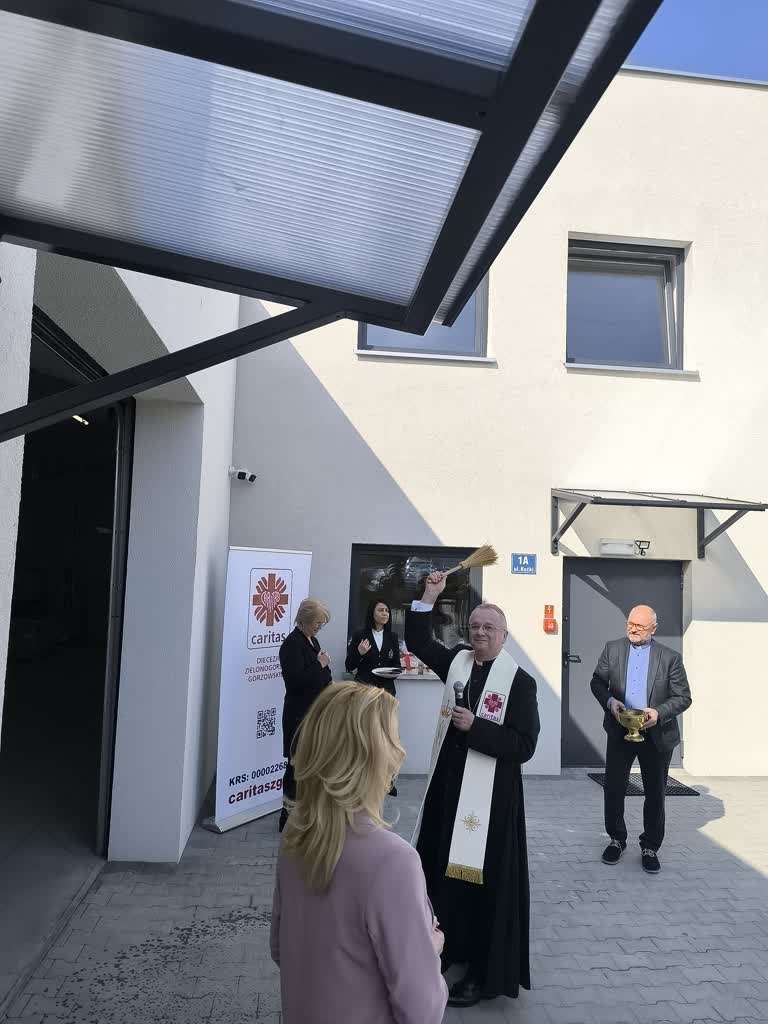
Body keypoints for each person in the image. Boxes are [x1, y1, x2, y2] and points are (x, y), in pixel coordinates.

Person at [270, 682, 448, 1024]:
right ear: (377, 757)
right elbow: (422, 1009)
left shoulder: (295, 834)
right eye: (394, 738)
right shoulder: (393, 862)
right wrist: (430, 949)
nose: (400, 750)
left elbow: (280, 948)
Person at [405, 571, 540, 1009]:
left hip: (491, 804)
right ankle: (449, 948)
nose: (480, 633)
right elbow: (418, 642)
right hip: (448, 794)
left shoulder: (520, 682)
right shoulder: (458, 663)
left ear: (504, 636)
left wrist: (477, 728)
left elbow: (525, 745)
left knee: (483, 887)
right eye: (475, 626)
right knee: (444, 875)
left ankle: (481, 973)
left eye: (489, 628)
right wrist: (429, 595)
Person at [590, 604, 692, 874]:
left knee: (655, 792)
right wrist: (610, 702)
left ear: (653, 629)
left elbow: (683, 697)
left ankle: (650, 847)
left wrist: (659, 713)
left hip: (656, 735)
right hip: (619, 730)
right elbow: (597, 682)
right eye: (630, 623)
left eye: (640, 626)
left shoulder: (670, 658)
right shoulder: (612, 649)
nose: (633, 629)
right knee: (614, 787)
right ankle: (616, 839)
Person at [278, 598, 332, 832]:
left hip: (315, 714)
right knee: (295, 766)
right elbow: (296, 682)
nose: (319, 627)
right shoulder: (292, 645)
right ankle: (287, 817)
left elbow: (324, 673)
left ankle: (306, 814)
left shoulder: (312, 640)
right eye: (317, 623)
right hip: (298, 716)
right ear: (305, 620)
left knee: (311, 765)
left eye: (322, 623)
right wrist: (320, 665)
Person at [345, 599, 402, 697]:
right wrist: (359, 653)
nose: (384, 613)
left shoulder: (392, 637)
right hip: (364, 689)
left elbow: (396, 665)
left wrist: (390, 674)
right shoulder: (359, 635)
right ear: (372, 613)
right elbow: (349, 666)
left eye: (387, 611)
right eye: (380, 610)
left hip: (386, 691)